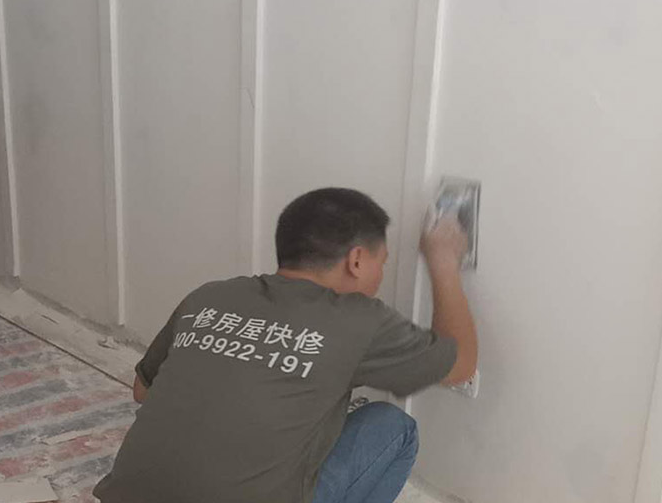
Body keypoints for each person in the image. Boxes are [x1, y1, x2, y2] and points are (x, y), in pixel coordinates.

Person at [94, 187, 478, 503]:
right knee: (394, 427)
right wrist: (444, 261)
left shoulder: (210, 296)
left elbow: (143, 390)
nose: (381, 275)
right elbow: (460, 364)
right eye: (383, 262)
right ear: (357, 260)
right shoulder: (359, 320)